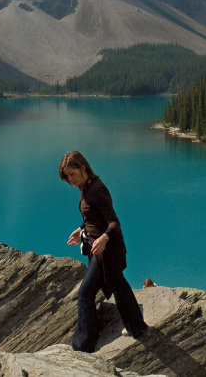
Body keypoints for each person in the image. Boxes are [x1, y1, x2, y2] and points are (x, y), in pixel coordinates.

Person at [59, 150, 148, 352]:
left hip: (106, 250)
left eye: (71, 174)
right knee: (118, 284)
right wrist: (81, 229)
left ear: (82, 168)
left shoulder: (97, 189)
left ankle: (83, 346)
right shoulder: (85, 186)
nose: (70, 180)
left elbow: (114, 223)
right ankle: (138, 326)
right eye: (67, 176)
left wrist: (104, 238)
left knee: (85, 294)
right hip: (97, 246)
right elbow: (92, 217)